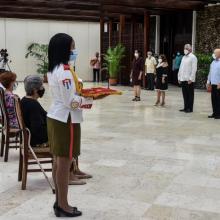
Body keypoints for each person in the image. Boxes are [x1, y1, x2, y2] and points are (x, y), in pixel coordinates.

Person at [47, 33, 93, 217]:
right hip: (65, 120)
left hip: (56, 117)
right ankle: (63, 205)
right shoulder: (64, 70)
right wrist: (90, 99)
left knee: (58, 162)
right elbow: (70, 102)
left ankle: (59, 202)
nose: (74, 51)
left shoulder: (54, 68)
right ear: (64, 49)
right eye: (72, 47)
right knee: (64, 163)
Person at [21, 75, 87, 185]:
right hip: (37, 141)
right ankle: (68, 176)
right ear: (34, 90)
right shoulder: (33, 105)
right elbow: (38, 130)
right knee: (67, 139)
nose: (43, 89)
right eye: (41, 87)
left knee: (67, 135)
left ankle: (74, 170)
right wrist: (54, 131)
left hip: (32, 138)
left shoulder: (26, 101)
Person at [178, 44, 197, 113]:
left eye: (186, 48)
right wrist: (179, 77)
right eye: (184, 48)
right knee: (185, 94)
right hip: (183, 79)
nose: (185, 49)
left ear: (190, 49)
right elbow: (181, 68)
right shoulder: (183, 57)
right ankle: (185, 107)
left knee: (190, 94)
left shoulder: (193, 57)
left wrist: (191, 79)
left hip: (189, 80)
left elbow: (194, 69)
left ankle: (190, 108)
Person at [207, 49, 220, 119]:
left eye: (215, 53)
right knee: (213, 99)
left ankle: (218, 114)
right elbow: (210, 73)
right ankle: (214, 113)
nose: (214, 54)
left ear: (219, 54)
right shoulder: (213, 62)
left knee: (218, 99)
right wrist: (208, 82)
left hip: (218, 84)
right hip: (213, 84)